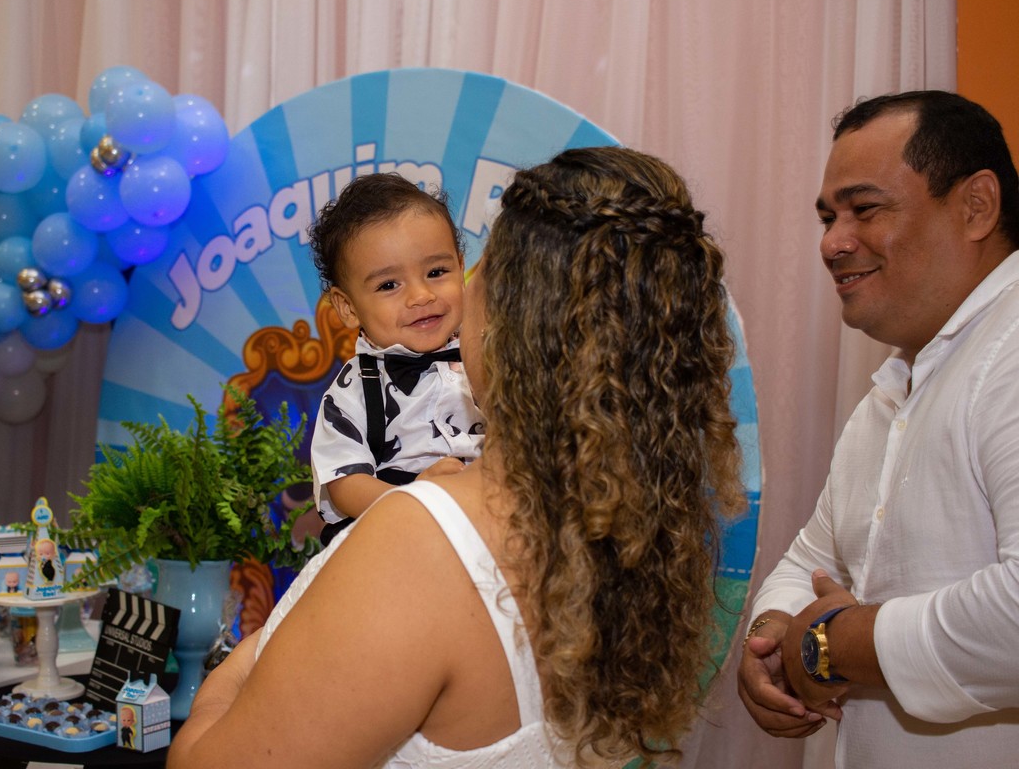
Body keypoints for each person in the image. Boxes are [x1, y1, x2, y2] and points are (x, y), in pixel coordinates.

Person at [168, 146, 745, 768]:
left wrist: (231, 679)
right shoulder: (626, 527)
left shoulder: (420, 543)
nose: (432, 294)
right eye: (390, 283)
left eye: (464, 269)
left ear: (512, 316)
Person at [737, 90, 1019, 767]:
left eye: (865, 209)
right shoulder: (896, 387)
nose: (833, 242)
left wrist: (839, 646)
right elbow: (814, 557)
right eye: (828, 217)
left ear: (977, 206)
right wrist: (773, 639)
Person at [307, 173, 485, 541]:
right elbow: (344, 482)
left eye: (437, 272)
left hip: (482, 532)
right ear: (348, 307)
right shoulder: (355, 389)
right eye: (389, 285)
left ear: (462, 268)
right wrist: (415, 503)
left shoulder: (488, 359)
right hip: (392, 542)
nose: (421, 295)